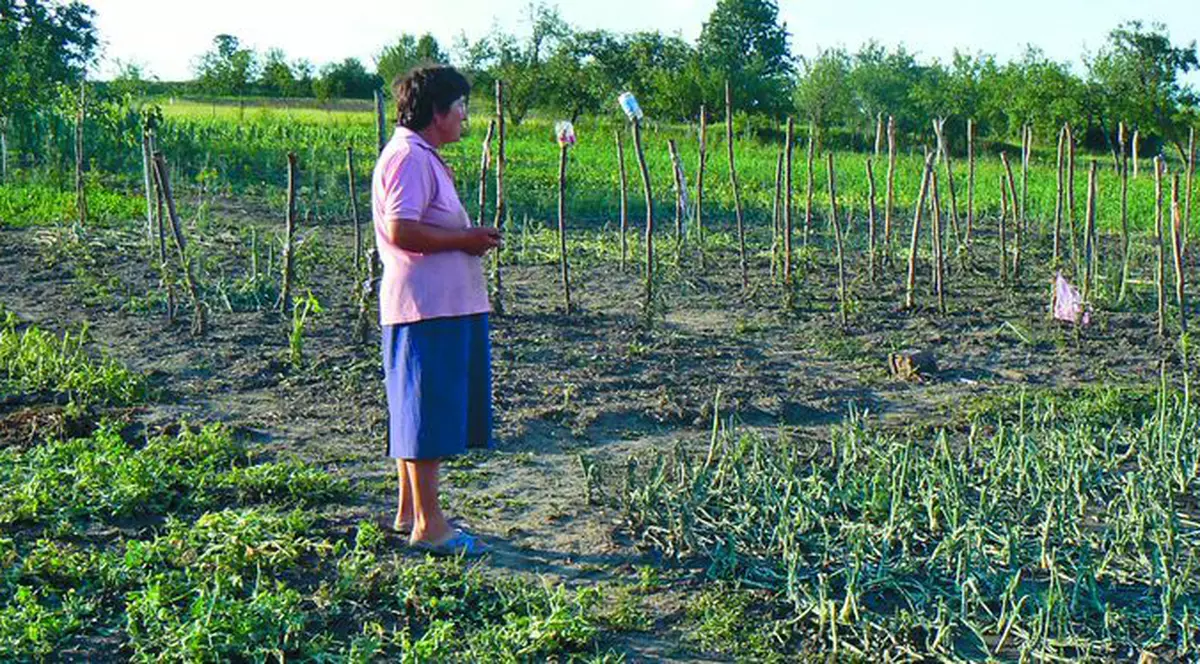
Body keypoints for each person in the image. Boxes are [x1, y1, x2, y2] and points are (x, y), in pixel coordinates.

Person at [372, 65, 501, 556]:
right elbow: (402, 229)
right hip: (427, 307)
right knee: (424, 413)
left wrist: (465, 240)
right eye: (462, 108)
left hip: (434, 305)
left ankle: (411, 510)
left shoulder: (418, 154)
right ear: (437, 112)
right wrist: (466, 239)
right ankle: (431, 526)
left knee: (415, 409)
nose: (466, 118)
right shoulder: (409, 156)